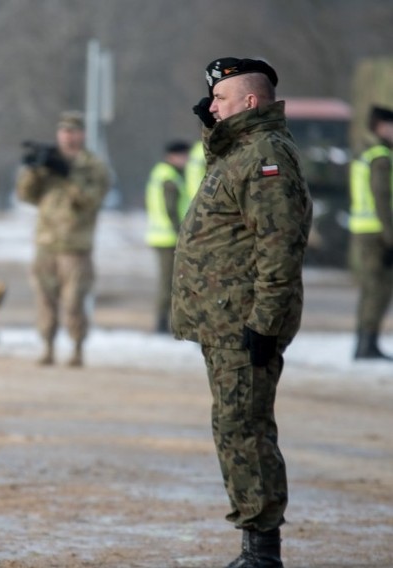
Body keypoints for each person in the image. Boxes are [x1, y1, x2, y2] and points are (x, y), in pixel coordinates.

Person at [173, 58, 312, 568]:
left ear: (250, 102)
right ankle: (255, 546)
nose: (211, 106)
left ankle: (261, 552)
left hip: (245, 322)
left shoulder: (267, 155)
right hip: (225, 320)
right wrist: (216, 131)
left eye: (221, 100)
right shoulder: (242, 151)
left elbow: (279, 246)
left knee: (245, 430)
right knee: (234, 428)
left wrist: (265, 322)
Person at [16, 110, 110, 367]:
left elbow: (91, 200)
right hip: (46, 243)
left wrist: (69, 174)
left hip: (75, 246)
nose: (68, 137)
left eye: (73, 131)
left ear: (82, 134)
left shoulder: (93, 166)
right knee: (44, 300)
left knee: (73, 302)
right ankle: (47, 346)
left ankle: (77, 348)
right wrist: (34, 170)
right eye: (64, 132)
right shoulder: (49, 162)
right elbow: (26, 195)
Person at [348, 104, 393, 360]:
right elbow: (382, 198)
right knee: (379, 289)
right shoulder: (380, 155)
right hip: (378, 232)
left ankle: (365, 343)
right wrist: (391, 237)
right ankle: (368, 344)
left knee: (370, 288)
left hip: (364, 230)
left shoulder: (364, 152)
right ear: (383, 126)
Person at [144, 139, 191, 333]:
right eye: (183, 156)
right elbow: (171, 208)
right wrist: (181, 233)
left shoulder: (161, 173)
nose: (186, 160)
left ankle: (165, 323)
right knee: (169, 283)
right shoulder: (169, 176)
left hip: (161, 237)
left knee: (169, 282)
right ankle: (162, 324)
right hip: (169, 238)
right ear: (173, 156)